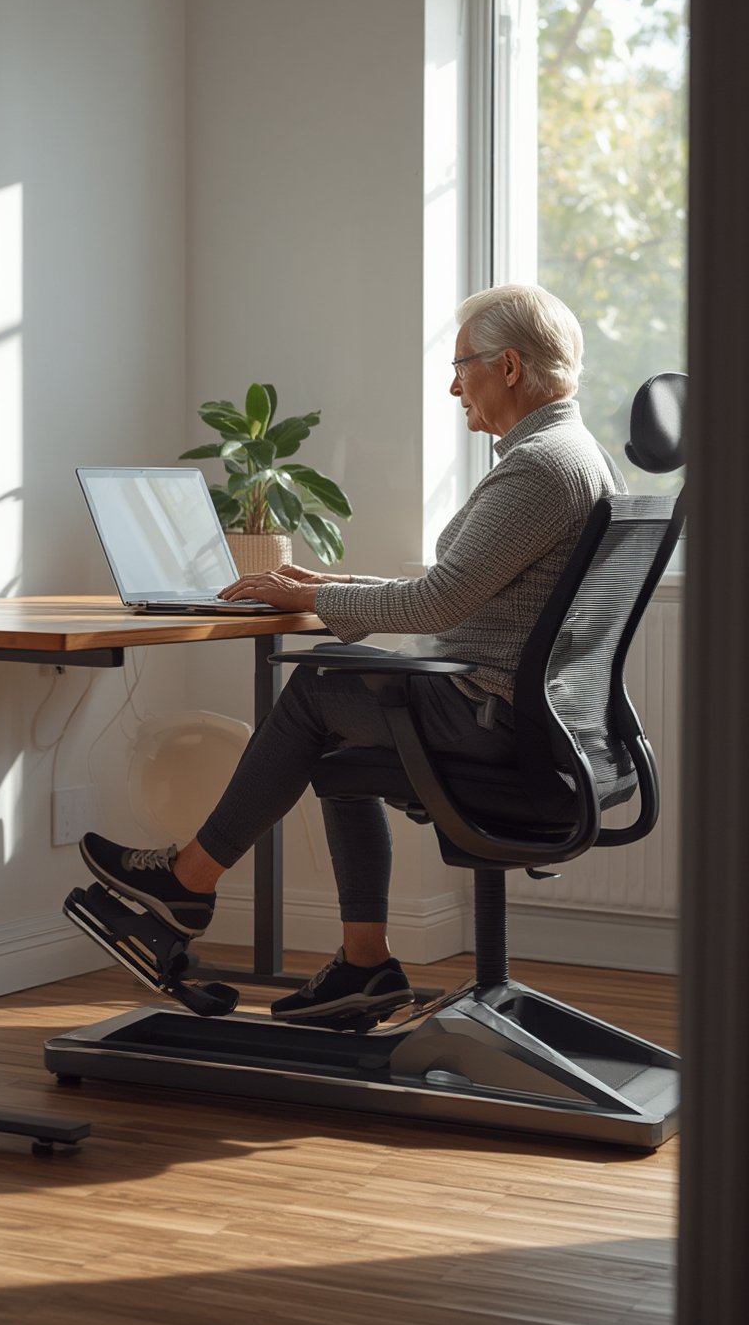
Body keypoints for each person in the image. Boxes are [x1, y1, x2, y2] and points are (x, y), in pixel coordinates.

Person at [75, 283, 625, 1027]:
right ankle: (364, 965)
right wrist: (322, 585)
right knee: (336, 745)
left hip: (493, 721)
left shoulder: (539, 467)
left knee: (314, 690)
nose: (453, 382)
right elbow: (453, 587)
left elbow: (436, 606)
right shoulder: (570, 455)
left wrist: (313, 602)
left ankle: (185, 881)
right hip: (528, 720)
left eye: (463, 364)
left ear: (511, 367)